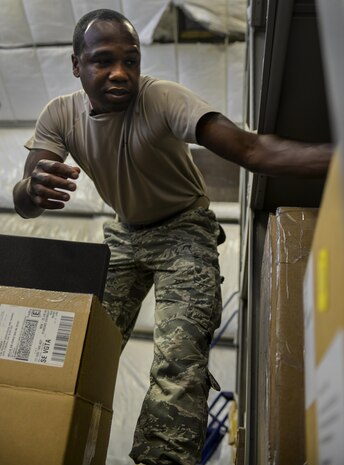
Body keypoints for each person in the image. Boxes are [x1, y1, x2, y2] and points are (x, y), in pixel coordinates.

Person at [12, 8, 332, 465]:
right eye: (104, 61)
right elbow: (26, 200)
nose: (121, 73)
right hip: (123, 235)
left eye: (132, 60)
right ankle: (43, 437)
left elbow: (252, 149)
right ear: (76, 65)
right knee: (79, 343)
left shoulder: (161, 98)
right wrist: (31, 189)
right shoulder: (59, 115)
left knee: (178, 359)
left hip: (184, 229)